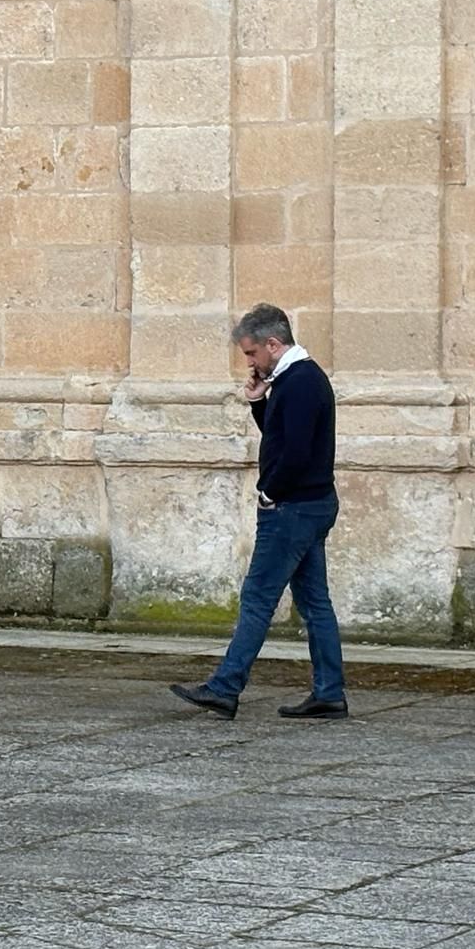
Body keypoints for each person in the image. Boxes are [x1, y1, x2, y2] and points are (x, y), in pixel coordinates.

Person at [169, 303, 347, 721]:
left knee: (257, 599)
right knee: (314, 603)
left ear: (273, 343)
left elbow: (296, 454)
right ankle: (329, 693)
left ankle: (225, 687)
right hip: (311, 504)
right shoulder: (296, 378)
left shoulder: (300, 382)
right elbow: (284, 436)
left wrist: (270, 492)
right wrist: (258, 402)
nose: (250, 362)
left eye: (252, 353)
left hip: (292, 508)